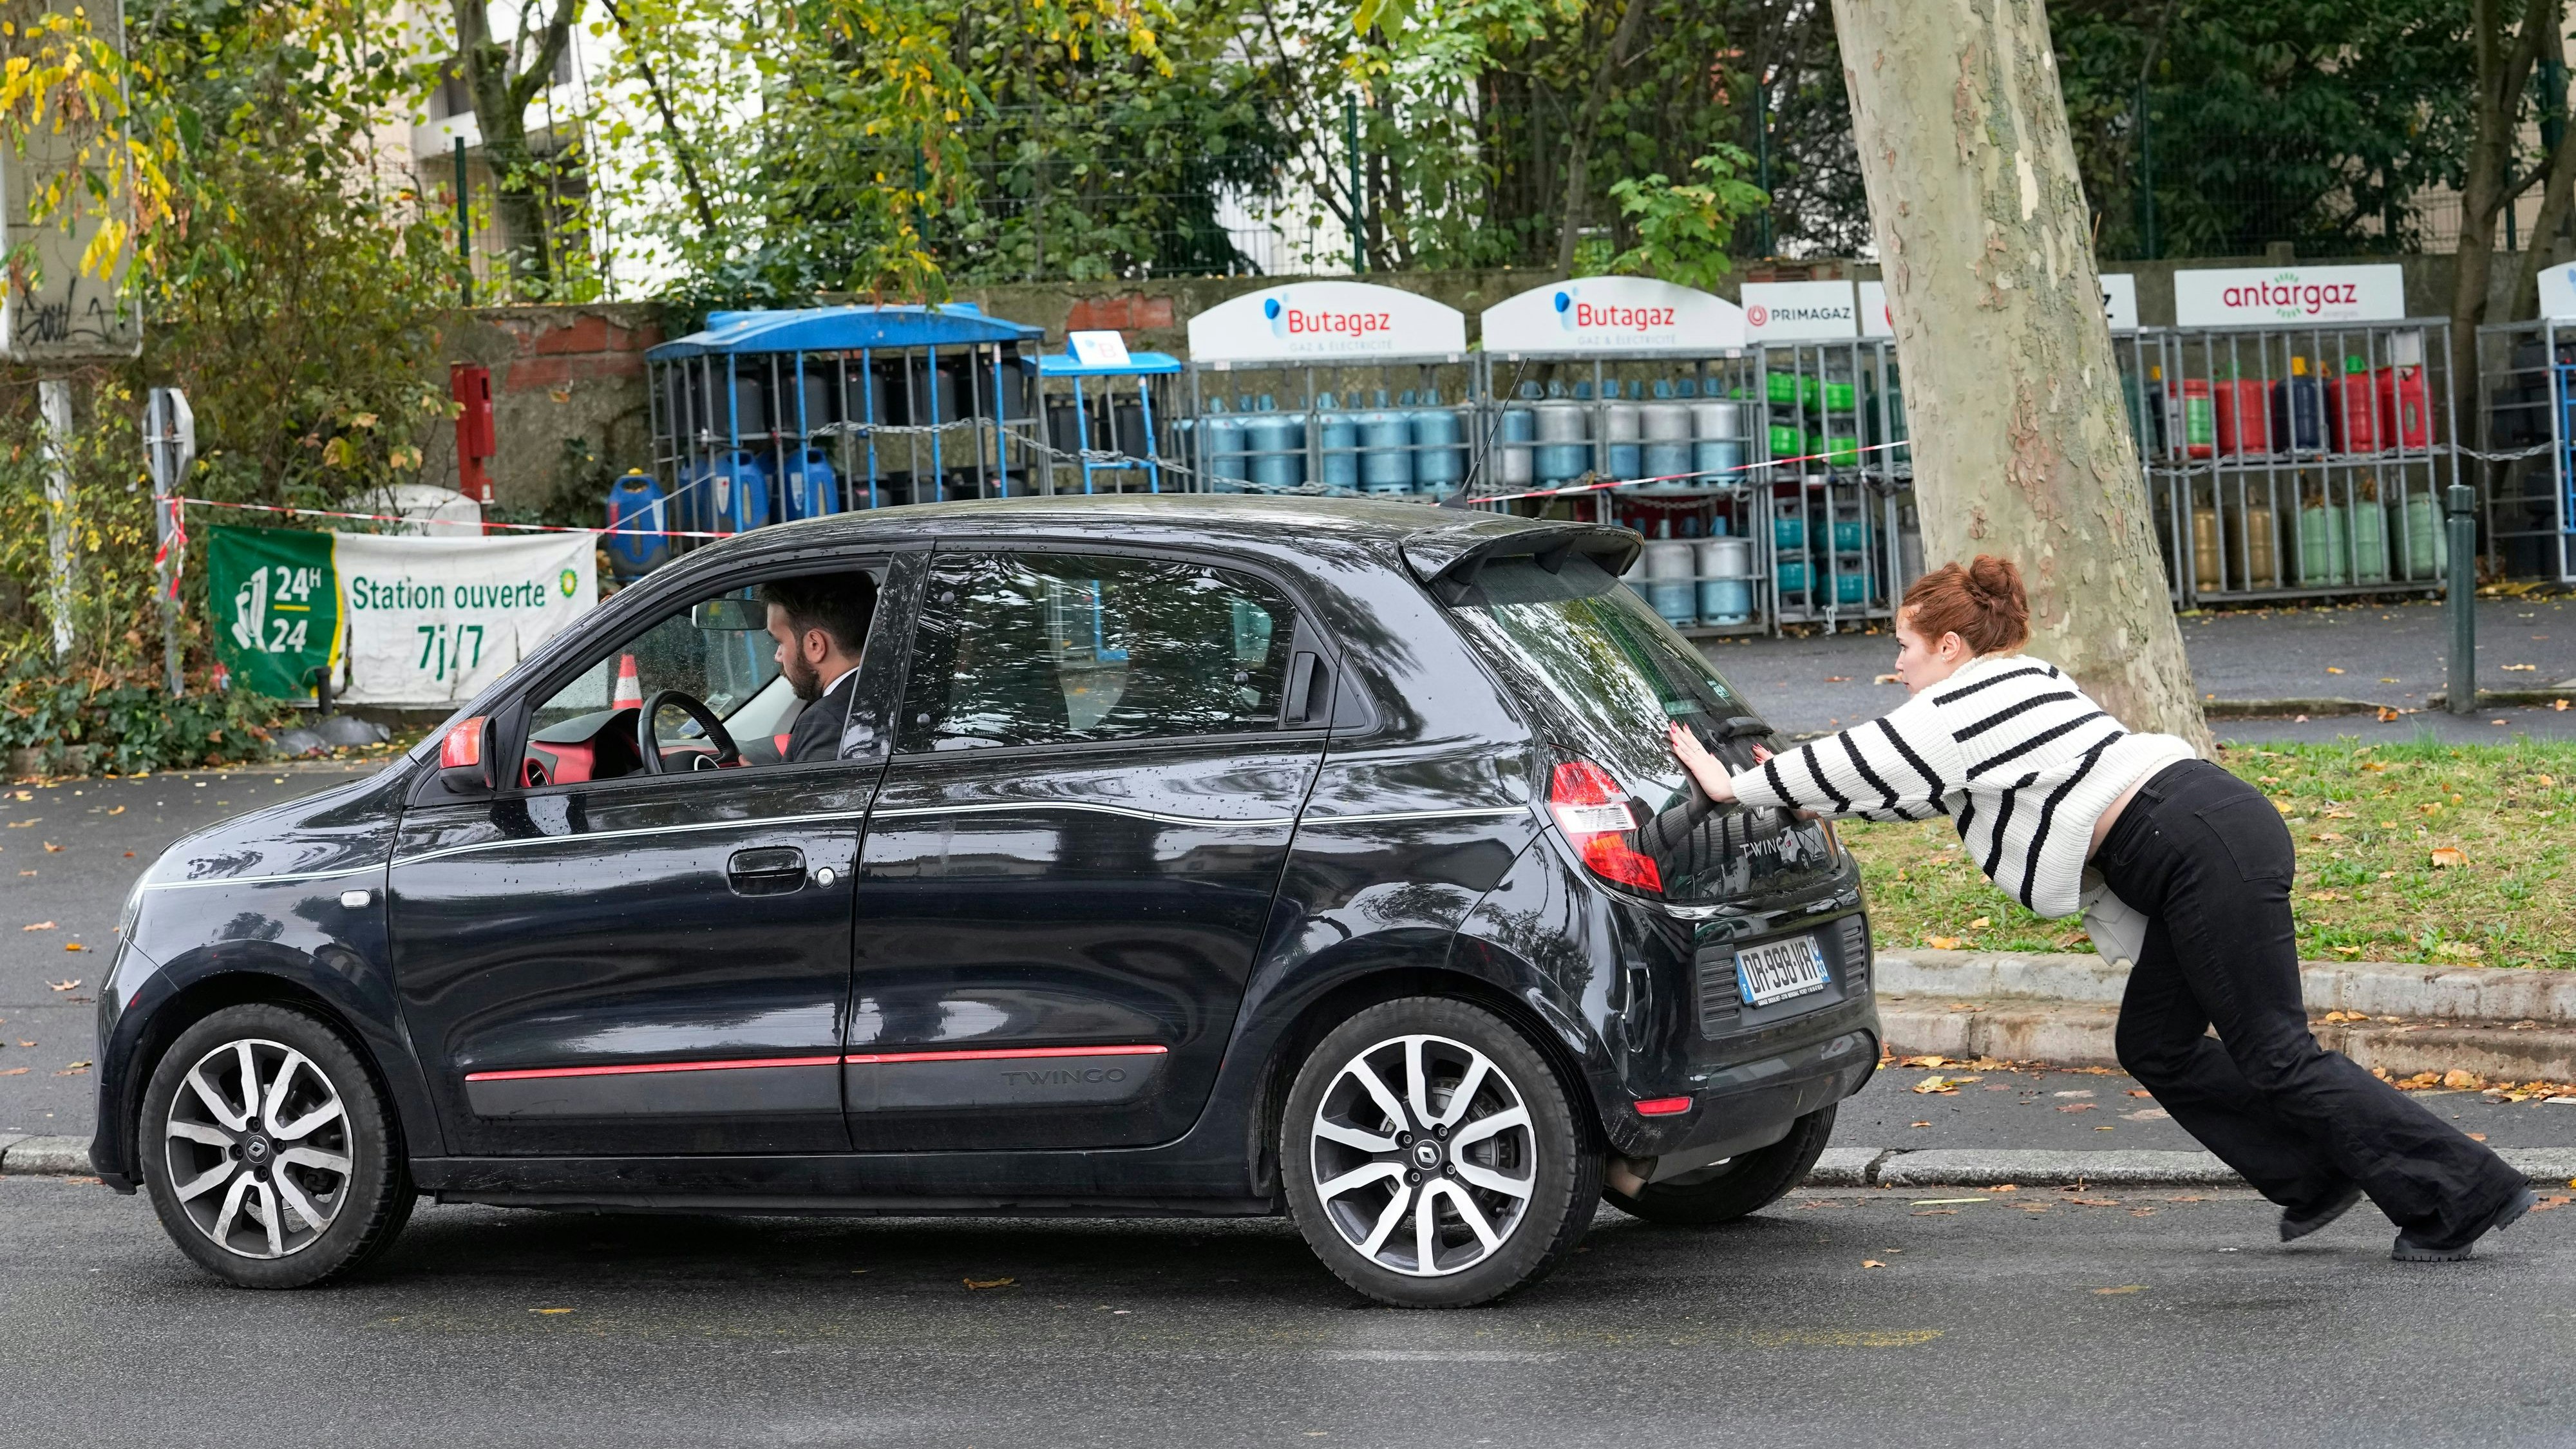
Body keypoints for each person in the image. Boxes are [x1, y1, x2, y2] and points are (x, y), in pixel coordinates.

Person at [1666, 555, 2533, 1262]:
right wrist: (1805, 797)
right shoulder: (2013, 687)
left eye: (1905, 647)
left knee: (2276, 1051)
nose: (1897, 666)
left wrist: (1733, 785)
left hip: (2194, 845)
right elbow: (1921, 788)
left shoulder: (1968, 701)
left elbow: (1871, 753)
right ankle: (2311, 1173)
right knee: (2154, 1043)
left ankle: (2465, 1192)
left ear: (1951, 645)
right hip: (2201, 833)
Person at [761, 573, 878, 763]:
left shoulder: (827, 720)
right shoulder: (897, 692)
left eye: (780, 642)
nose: (778, 656)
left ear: (815, 645)